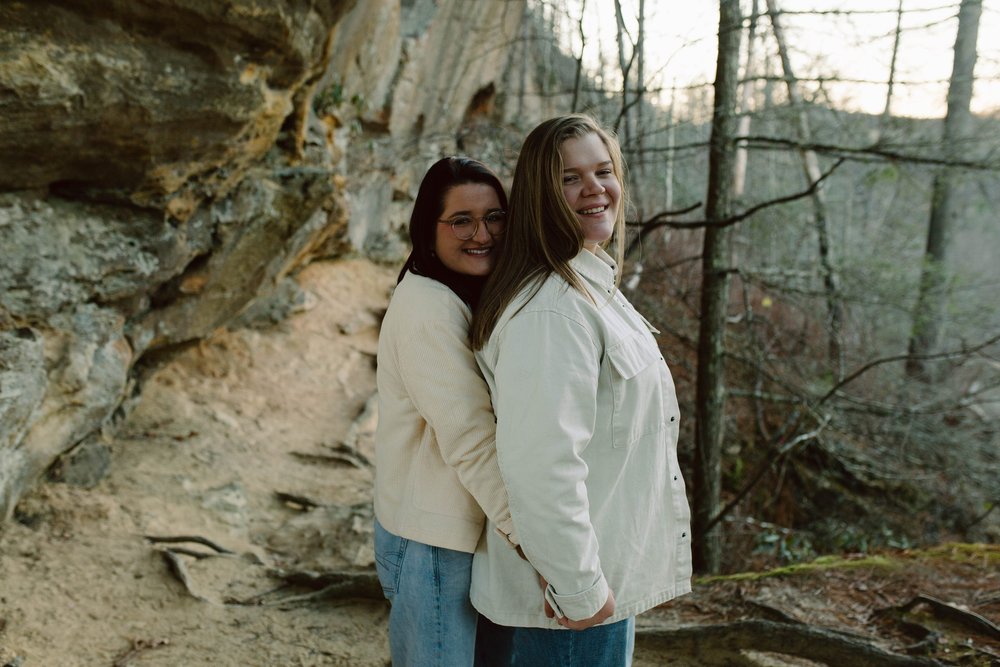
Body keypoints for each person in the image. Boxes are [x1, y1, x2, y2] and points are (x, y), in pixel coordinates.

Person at [469, 114, 693, 665]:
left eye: (603, 171)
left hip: (597, 582)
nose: (594, 189)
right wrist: (581, 591)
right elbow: (541, 468)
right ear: (541, 196)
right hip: (566, 603)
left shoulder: (590, 287)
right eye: (570, 178)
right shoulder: (552, 313)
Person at [373, 156, 517, 666]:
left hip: (460, 532)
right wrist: (532, 537)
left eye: (495, 216)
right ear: (427, 229)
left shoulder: (463, 295)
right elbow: (470, 436)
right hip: (433, 545)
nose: (483, 233)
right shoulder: (428, 310)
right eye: (461, 220)